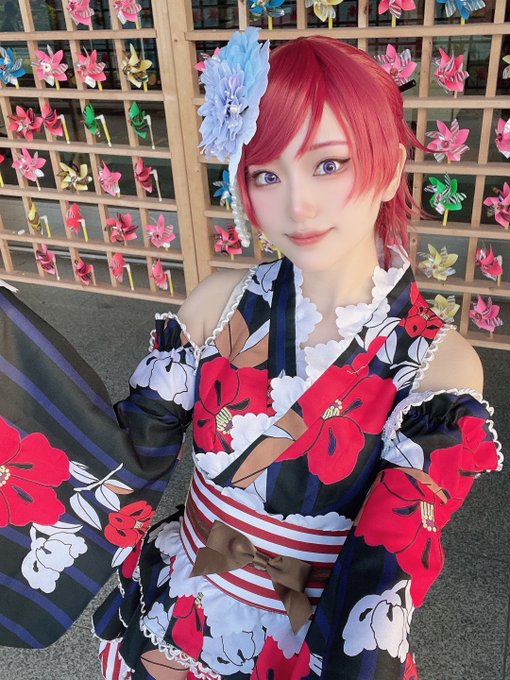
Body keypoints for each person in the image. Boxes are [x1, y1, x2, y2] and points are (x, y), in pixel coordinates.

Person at [0, 30, 502, 680]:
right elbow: (122, 457)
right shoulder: (219, 303)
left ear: (389, 170)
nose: (297, 203)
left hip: (302, 645)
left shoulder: (438, 368)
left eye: (328, 164)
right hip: (173, 604)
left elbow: (383, 578)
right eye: (267, 174)